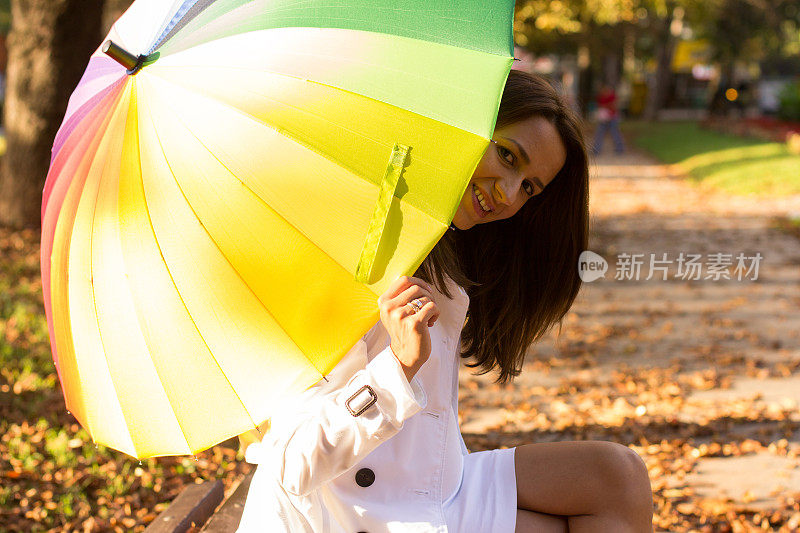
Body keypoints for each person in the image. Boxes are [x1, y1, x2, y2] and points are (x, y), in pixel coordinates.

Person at [237, 71, 653, 532]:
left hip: (432, 485)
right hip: (345, 512)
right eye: (509, 156)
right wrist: (396, 368)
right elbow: (291, 464)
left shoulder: (435, 242)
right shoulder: (348, 245)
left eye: (530, 187)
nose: (509, 195)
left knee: (616, 478)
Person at [592, 82, 625, 155]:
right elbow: (600, 105)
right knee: (599, 134)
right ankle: (596, 150)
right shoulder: (601, 97)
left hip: (612, 118)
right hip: (603, 118)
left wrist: (606, 106)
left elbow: (614, 106)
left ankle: (620, 149)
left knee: (615, 134)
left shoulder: (612, 96)